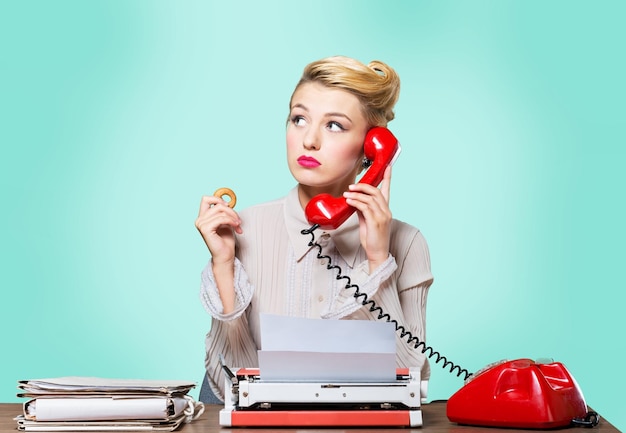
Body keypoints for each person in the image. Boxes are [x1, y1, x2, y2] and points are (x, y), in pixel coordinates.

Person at [195, 55, 434, 403]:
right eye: (299, 118)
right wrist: (223, 266)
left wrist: (377, 260)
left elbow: (410, 386)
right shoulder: (243, 230)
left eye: (334, 125)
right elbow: (230, 389)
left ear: (372, 146)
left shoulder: (408, 243)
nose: (309, 141)